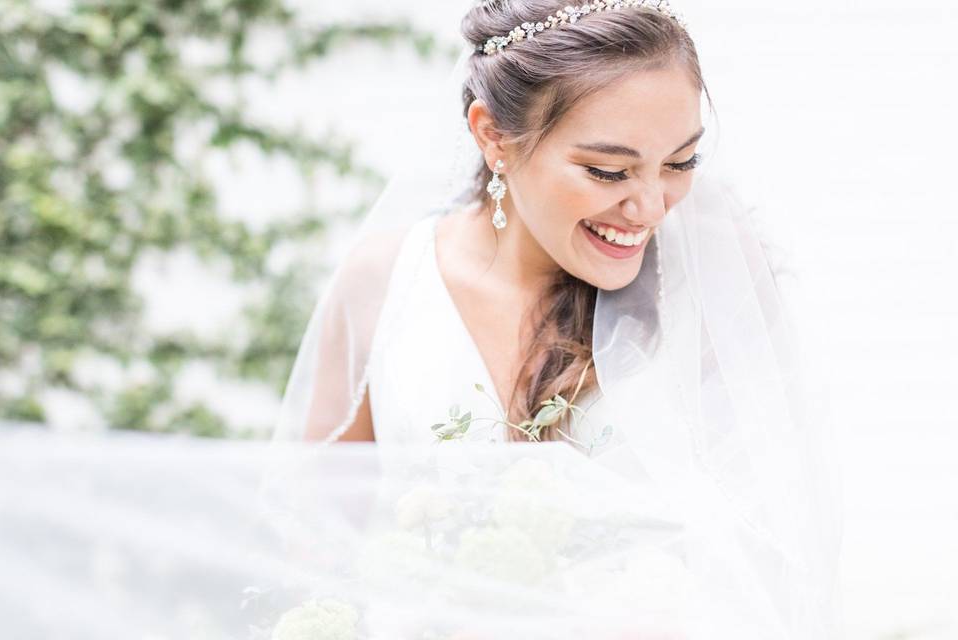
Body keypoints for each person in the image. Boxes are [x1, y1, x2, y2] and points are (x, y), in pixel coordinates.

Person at [271, 1, 843, 637]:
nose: (650, 205)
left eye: (680, 162)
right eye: (608, 171)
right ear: (493, 136)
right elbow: (317, 534)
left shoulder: (700, 281)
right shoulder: (384, 281)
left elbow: (770, 541)